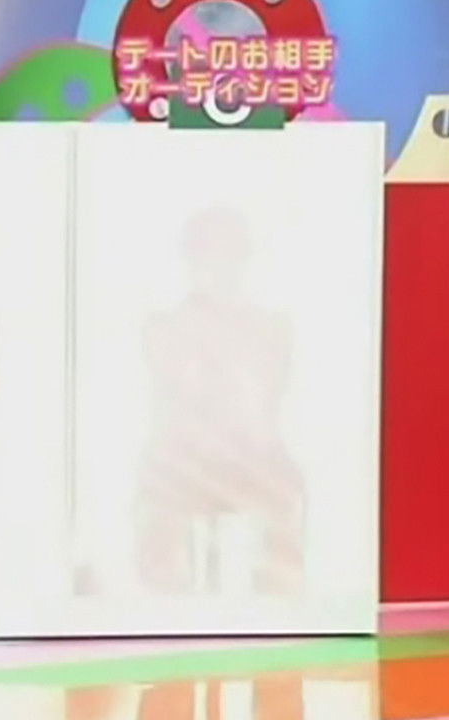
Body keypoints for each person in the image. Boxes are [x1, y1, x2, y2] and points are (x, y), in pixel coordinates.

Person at [136, 208, 303, 597]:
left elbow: (267, 398)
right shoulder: (165, 326)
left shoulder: (271, 329)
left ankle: (281, 606)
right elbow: (173, 395)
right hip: (182, 459)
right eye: (208, 254)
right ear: (191, 261)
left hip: (252, 457)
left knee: (286, 494)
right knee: (156, 498)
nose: (219, 267)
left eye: (229, 255)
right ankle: (162, 605)